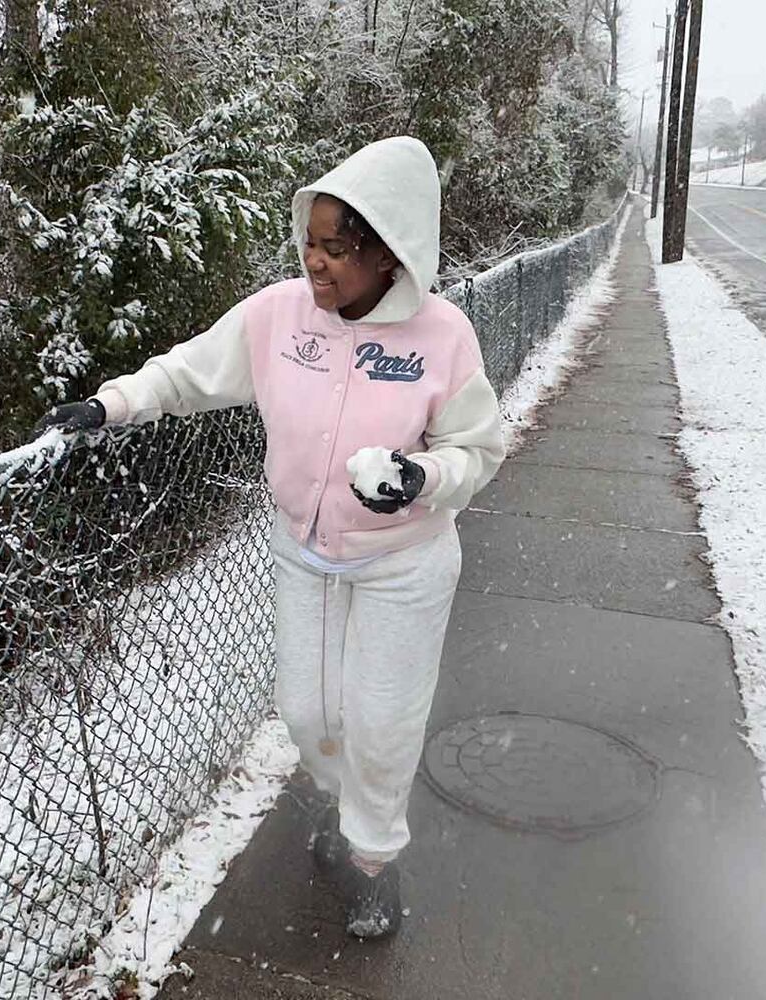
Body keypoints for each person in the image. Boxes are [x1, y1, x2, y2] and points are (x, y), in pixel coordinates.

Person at [39, 136, 504, 938]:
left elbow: (480, 449)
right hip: (305, 553)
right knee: (309, 711)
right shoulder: (277, 317)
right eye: (310, 243)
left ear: (390, 253)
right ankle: (341, 802)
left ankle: (370, 859)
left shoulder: (442, 335)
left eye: (337, 248)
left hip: (404, 561)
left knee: (383, 723)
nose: (315, 264)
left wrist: (421, 479)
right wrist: (111, 404)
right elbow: (187, 372)